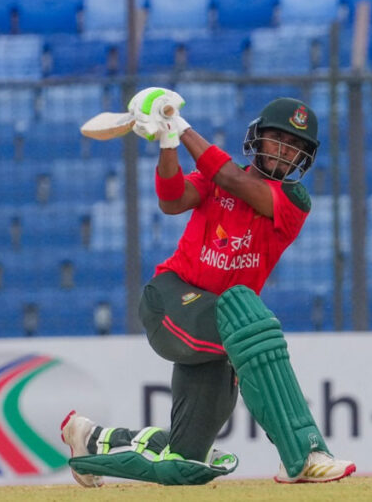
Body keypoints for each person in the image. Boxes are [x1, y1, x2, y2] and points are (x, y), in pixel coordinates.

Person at [61, 88, 356, 486]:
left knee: (186, 460)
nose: (286, 150)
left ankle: (91, 441)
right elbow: (171, 199)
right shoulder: (214, 181)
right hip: (170, 301)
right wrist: (168, 142)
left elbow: (232, 178)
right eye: (278, 138)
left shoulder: (293, 200)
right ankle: (305, 454)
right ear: (258, 138)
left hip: (220, 329)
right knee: (244, 308)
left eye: (296, 146)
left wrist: (179, 125)